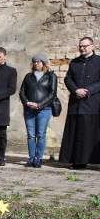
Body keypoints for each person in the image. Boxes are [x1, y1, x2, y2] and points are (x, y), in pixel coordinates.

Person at [60, 37, 100, 170]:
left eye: (85, 46)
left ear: (92, 46)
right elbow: (68, 79)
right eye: (80, 46)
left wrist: (87, 92)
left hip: (91, 104)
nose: (82, 48)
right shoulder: (74, 63)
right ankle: (76, 161)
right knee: (75, 133)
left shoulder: (99, 61)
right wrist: (75, 90)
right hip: (76, 104)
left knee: (88, 134)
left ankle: (89, 160)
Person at [19, 54, 58, 168]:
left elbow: (52, 94)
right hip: (29, 109)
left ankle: (38, 158)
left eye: (39, 62)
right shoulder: (28, 76)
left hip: (44, 109)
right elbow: (22, 91)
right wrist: (27, 102)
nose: (36, 64)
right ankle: (31, 156)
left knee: (41, 134)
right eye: (34, 62)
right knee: (31, 134)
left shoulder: (51, 76)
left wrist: (40, 104)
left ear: (44, 63)